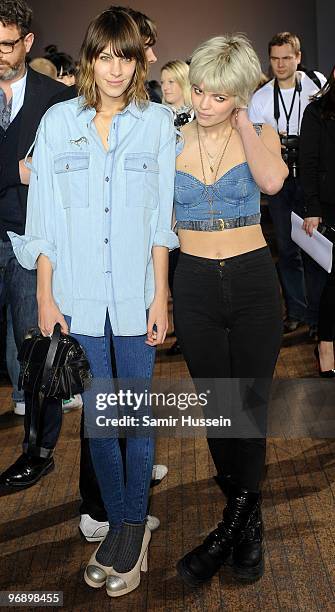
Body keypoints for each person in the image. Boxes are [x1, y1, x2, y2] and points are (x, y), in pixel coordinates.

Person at [9, 7, 178, 598]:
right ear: (90, 59)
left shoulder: (157, 124)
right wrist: (45, 297)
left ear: (137, 61)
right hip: (77, 298)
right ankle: (125, 523)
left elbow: (162, 220)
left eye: (125, 55)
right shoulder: (58, 122)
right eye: (105, 55)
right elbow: (44, 220)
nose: (114, 67)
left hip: (135, 298)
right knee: (102, 419)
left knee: (133, 413)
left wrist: (161, 297)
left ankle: (128, 529)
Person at [173, 34, 287, 587]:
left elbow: (270, 181)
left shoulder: (260, 132)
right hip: (193, 282)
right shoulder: (169, 138)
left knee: (249, 406)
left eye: (218, 95)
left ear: (239, 94)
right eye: (198, 91)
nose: (203, 103)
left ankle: (237, 526)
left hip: (252, 282)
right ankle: (246, 517)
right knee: (219, 408)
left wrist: (242, 122)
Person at [0, 0, 65, 428]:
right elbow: (26, 170)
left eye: (6, 45)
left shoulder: (59, 99)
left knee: (36, 342)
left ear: (28, 42)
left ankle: (39, 447)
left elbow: (62, 169)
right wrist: (17, 170)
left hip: (33, 238)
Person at [249, 32, 327, 337]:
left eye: (286, 58)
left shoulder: (315, 88)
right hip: (279, 179)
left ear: (298, 58)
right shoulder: (260, 98)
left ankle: (318, 315)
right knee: (287, 248)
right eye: (275, 58)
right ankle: (295, 311)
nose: (280, 64)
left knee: (315, 249)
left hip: (310, 176)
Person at [300, 64, 335, 376]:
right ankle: (326, 345)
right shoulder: (317, 111)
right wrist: (312, 206)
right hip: (329, 206)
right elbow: (307, 162)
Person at [160, 60, 194, 357]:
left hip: (193, 204)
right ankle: (183, 333)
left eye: (172, 81)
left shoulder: (199, 117)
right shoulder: (156, 118)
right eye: (163, 82)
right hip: (166, 210)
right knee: (174, 276)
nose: (167, 87)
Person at [161, 59, 193, 124]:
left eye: (171, 82)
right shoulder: (156, 116)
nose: (165, 87)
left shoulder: (201, 116)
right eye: (162, 82)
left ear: (184, 82)